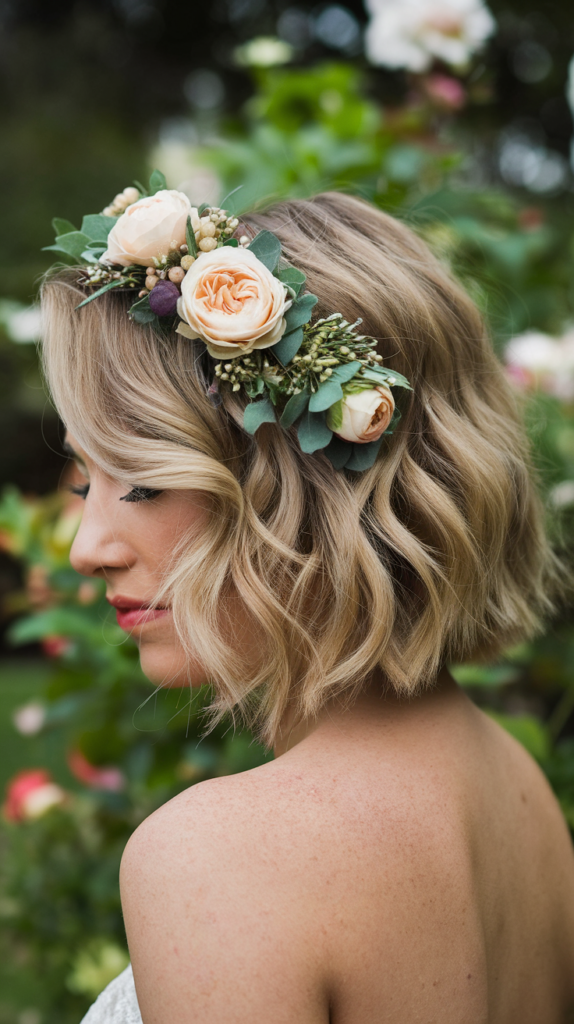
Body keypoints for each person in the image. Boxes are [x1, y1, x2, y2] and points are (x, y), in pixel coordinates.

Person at [40, 189, 574, 1023]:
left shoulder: (217, 859)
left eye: (142, 479)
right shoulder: (516, 788)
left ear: (310, 486)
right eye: (85, 480)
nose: (87, 547)